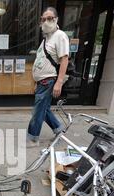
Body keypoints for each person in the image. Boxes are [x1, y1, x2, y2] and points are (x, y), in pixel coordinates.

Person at [27, 7, 69, 147]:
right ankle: (59, 131)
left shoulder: (60, 35)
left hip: (48, 80)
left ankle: (33, 138)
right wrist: (36, 81)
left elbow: (64, 59)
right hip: (42, 81)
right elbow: (40, 59)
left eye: (49, 18)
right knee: (44, 109)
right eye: (43, 19)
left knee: (38, 110)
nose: (46, 21)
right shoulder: (46, 39)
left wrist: (59, 82)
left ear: (56, 19)